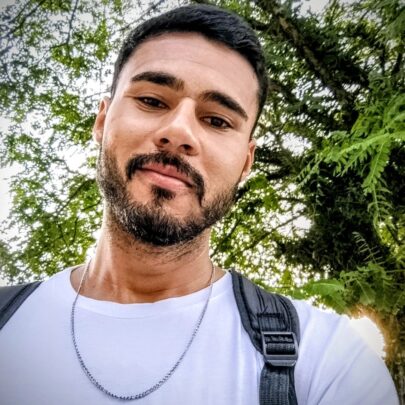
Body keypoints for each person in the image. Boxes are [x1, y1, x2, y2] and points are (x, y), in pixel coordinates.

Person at [0, 4, 399, 404]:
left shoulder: (330, 361)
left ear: (246, 162)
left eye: (217, 121)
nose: (178, 132)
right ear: (102, 121)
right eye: (152, 100)